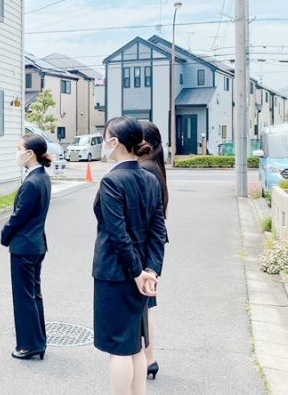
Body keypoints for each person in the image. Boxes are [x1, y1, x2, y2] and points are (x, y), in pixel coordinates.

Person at [93, 116, 166, 395]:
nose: (104, 144)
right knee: (135, 344)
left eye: (105, 139)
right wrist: (151, 270)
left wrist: (137, 273)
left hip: (115, 274)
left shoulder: (112, 181)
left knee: (119, 349)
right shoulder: (150, 179)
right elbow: (158, 231)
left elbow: (118, 235)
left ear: (114, 142)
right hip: (142, 273)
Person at [1, 134, 52, 361]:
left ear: (30, 153)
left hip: (24, 246)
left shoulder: (32, 182)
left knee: (24, 297)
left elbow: (19, 216)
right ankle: (38, 341)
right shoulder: (42, 177)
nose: (17, 152)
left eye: (19, 148)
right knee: (34, 294)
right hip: (37, 244)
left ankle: (29, 345)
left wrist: (5, 234)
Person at [138, 121, 170, 380]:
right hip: (150, 246)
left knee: (142, 306)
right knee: (145, 307)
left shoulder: (145, 169)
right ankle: (150, 358)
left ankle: (147, 358)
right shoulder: (154, 167)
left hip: (144, 246)